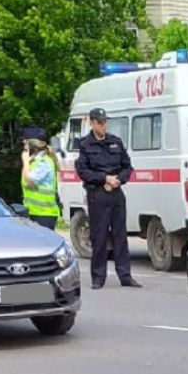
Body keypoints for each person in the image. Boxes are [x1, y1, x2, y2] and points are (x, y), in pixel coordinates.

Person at [75, 108, 141, 290]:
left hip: (116, 193)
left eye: (105, 121)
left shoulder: (115, 142)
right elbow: (83, 171)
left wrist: (117, 180)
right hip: (98, 194)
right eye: (100, 122)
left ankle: (125, 276)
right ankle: (98, 277)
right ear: (92, 123)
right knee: (99, 236)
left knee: (120, 235)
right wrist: (104, 179)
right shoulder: (85, 145)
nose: (104, 125)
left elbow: (128, 167)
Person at [20, 126, 61, 229]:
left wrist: (25, 161)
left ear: (32, 144)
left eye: (25, 143)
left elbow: (30, 180)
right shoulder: (34, 161)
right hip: (32, 212)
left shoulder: (44, 162)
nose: (24, 146)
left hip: (44, 215)